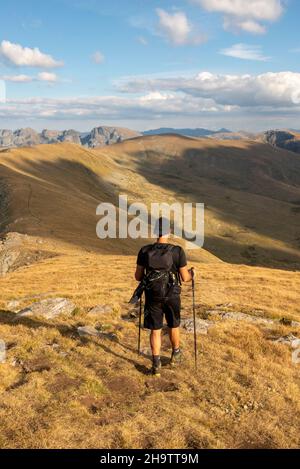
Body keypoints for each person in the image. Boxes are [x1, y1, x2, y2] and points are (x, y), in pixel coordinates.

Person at [135, 217, 194, 376]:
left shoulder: (145, 251)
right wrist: (192, 274)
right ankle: (176, 354)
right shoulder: (177, 251)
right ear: (169, 231)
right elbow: (185, 278)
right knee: (173, 325)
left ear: (155, 231)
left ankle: (156, 364)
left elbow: (138, 277)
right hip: (172, 294)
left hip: (152, 295)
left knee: (155, 329)